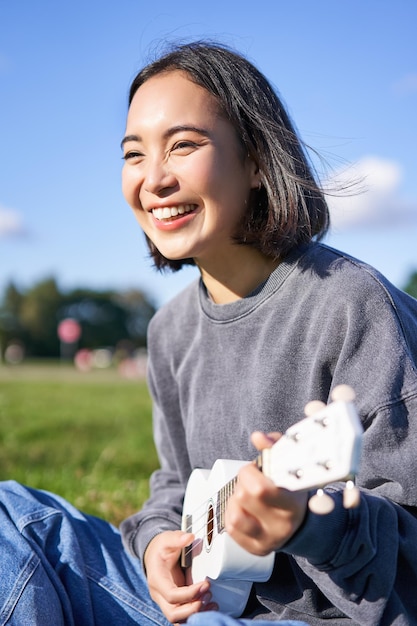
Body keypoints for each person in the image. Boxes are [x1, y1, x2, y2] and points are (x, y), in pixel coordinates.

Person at [0, 41, 416, 626]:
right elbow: (174, 483)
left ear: (255, 161)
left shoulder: (351, 304)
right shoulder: (169, 330)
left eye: (183, 146)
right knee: (9, 511)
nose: (154, 179)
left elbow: (410, 559)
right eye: (133, 154)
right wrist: (153, 547)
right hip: (188, 605)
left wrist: (311, 526)